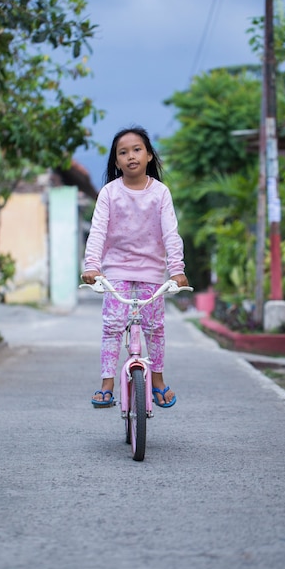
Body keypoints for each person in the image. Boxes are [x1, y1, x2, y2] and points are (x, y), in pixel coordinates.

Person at [81, 126, 189, 408]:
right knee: (112, 326)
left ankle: (158, 380)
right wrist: (92, 267)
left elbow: (171, 233)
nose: (131, 156)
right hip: (115, 271)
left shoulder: (161, 193)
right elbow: (97, 233)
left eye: (137, 150)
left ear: (149, 155)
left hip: (152, 273)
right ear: (116, 162)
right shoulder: (108, 193)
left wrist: (176, 270)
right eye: (123, 152)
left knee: (155, 328)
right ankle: (107, 384)